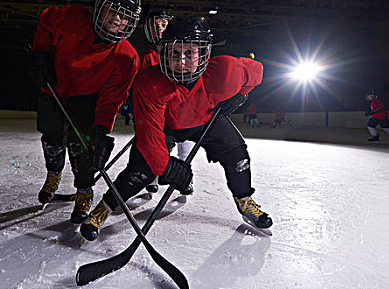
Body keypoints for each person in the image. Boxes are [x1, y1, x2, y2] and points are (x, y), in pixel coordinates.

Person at [80, 16, 273, 241]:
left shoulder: (225, 71)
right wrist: (168, 168)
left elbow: (256, 71)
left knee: (237, 154)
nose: (181, 61)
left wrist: (241, 95)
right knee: (140, 171)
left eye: (189, 53)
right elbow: (149, 136)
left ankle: (244, 200)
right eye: (174, 53)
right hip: (166, 126)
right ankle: (104, 208)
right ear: (163, 53)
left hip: (205, 121)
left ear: (203, 54)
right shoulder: (150, 82)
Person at [27, 0, 142, 224]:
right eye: (113, 11)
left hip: (87, 100)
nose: (117, 20)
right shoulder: (71, 18)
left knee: (82, 148)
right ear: (100, 8)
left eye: (124, 17)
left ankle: (84, 192)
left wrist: (101, 131)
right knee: (52, 138)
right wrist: (40, 52)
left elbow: (112, 98)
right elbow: (46, 21)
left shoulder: (127, 57)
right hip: (53, 91)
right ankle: (53, 175)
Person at [139, 9, 195, 195]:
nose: (159, 29)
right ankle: (154, 175)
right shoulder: (149, 56)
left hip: (182, 108)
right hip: (161, 110)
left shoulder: (183, 51)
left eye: (163, 25)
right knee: (159, 144)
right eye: (155, 26)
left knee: (184, 143)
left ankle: (186, 175)